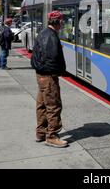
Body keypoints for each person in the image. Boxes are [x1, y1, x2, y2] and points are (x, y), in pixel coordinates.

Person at [31, 11, 67, 148]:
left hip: (40, 75)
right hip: (49, 76)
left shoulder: (43, 33)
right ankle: (52, 136)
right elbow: (51, 59)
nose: (63, 23)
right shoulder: (51, 37)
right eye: (62, 21)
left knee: (41, 104)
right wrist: (59, 72)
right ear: (57, 22)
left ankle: (41, 132)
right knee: (53, 105)